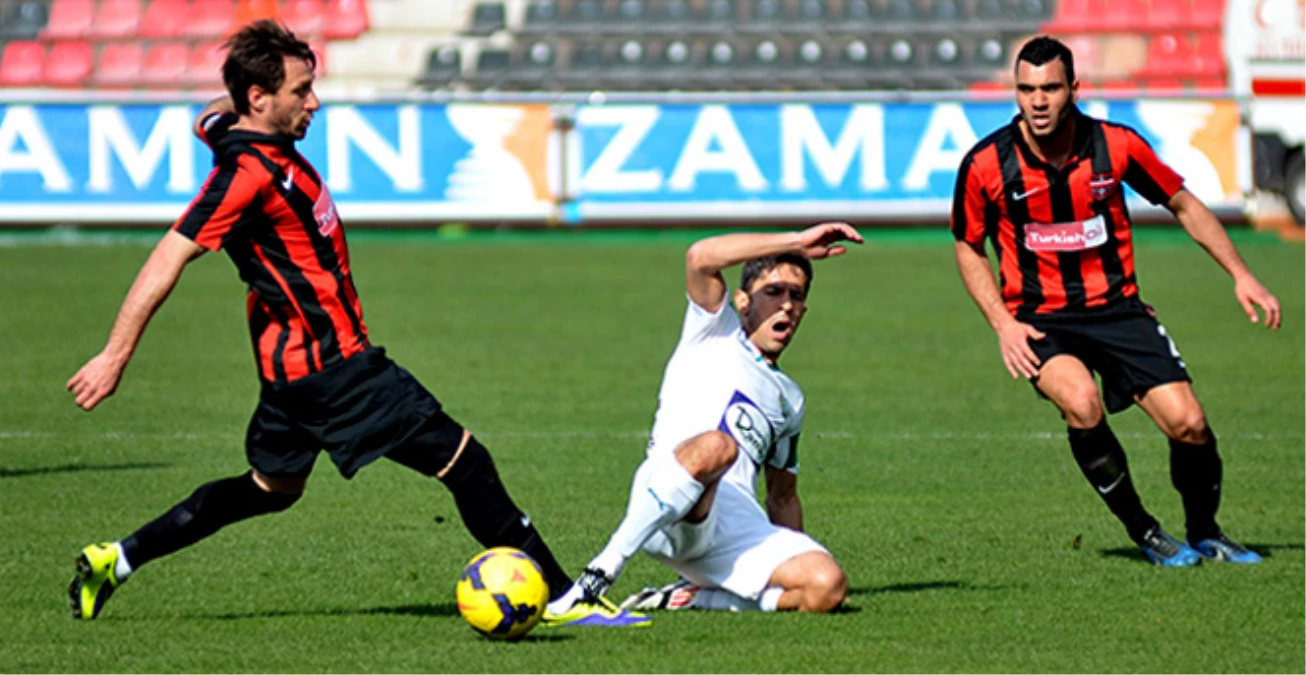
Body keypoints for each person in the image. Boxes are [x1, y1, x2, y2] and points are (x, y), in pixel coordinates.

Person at [65, 21, 640, 627]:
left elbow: (208, 116)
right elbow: (168, 256)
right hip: (335, 367)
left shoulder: (234, 130)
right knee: (467, 463)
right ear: (261, 98)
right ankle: (563, 599)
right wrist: (115, 354)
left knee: (270, 489)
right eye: (301, 90)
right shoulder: (245, 175)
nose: (314, 102)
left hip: (290, 371)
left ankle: (118, 559)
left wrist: (235, 107)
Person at [950, 36, 1281, 567]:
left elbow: (1184, 203)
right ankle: (1145, 531)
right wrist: (1002, 325)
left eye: (1050, 88)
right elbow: (968, 246)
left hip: (1118, 310)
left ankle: (1206, 532)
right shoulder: (987, 164)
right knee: (1081, 401)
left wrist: (1242, 275)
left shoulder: (1116, 146)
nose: (1037, 101)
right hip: (1040, 319)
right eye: (1026, 89)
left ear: (1073, 89)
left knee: (1189, 424)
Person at [543, 224, 860, 624]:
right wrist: (797, 242)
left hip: (731, 528)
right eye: (774, 292)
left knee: (826, 585)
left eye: (796, 297)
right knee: (718, 446)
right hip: (668, 502)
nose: (786, 305)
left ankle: (692, 598)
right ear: (743, 301)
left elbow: (782, 497)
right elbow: (701, 256)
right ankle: (593, 583)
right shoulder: (714, 330)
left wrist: (798, 556)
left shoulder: (790, 399)